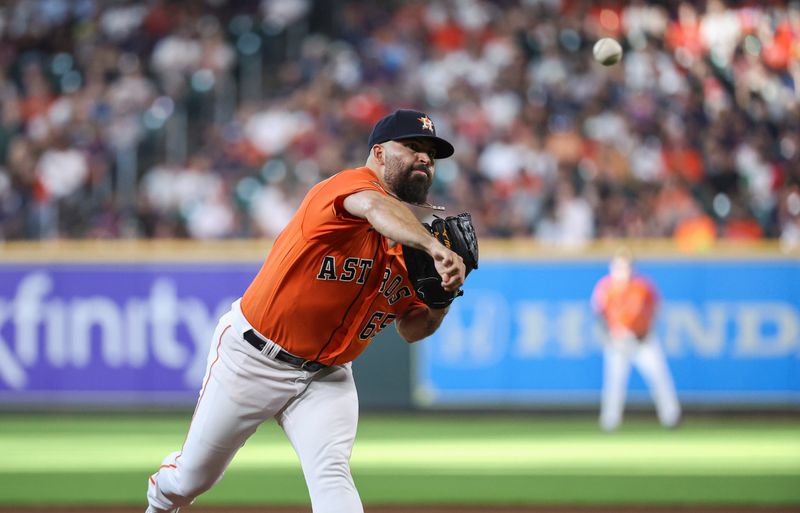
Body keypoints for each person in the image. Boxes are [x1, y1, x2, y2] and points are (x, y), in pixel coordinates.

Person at [145, 109, 466, 513]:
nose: (424, 158)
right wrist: (434, 247)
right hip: (253, 358)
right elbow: (374, 207)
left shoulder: (411, 249)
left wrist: (444, 296)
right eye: (413, 147)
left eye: (431, 154)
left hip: (326, 376)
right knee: (190, 479)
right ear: (380, 153)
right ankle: (158, 503)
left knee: (331, 473)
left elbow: (412, 328)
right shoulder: (351, 187)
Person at [590, 248, 681, 431]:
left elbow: (655, 309)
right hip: (618, 340)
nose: (624, 270)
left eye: (627, 266)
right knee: (614, 382)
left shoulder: (643, 286)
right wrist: (608, 338)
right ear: (612, 267)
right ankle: (610, 421)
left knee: (659, 377)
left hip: (643, 339)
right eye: (620, 266)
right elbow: (598, 315)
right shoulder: (606, 287)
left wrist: (647, 331)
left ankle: (671, 417)